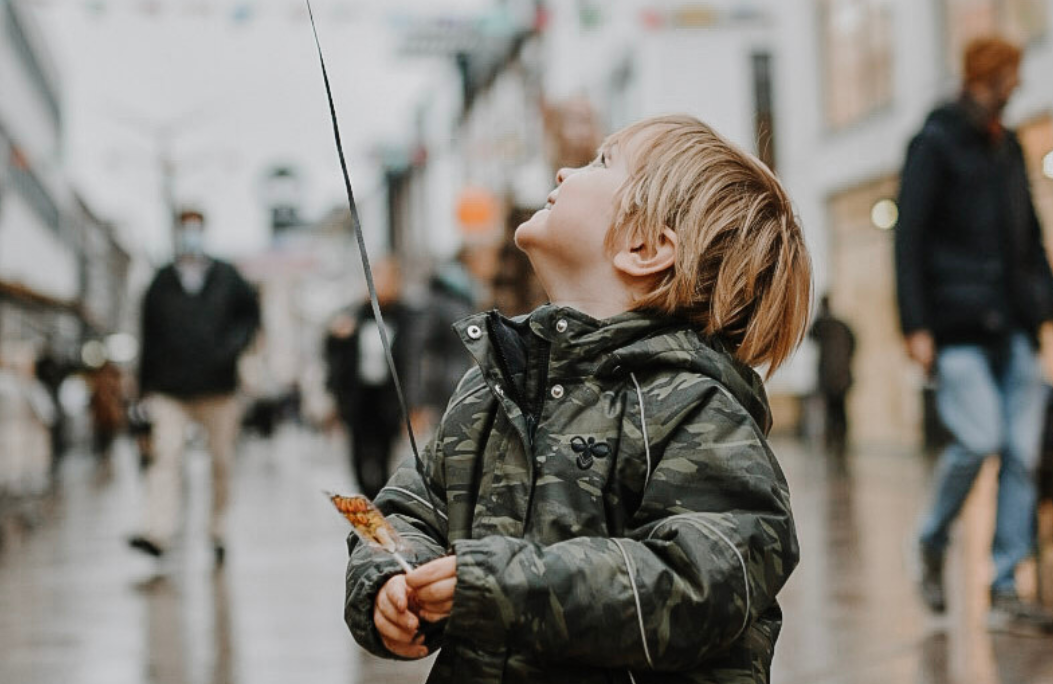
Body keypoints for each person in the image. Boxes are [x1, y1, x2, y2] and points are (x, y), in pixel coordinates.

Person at [343, 115, 808, 682]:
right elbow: (403, 510)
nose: (566, 169)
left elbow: (701, 580)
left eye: (603, 162)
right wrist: (391, 581)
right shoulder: (494, 386)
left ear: (644, 247)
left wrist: (507, 583)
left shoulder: (694, 408)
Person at [896, 37, 1053, 636]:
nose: (1018, 86)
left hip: (1017, 323)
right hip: (958, 327)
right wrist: (914, 325)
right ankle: (931, 538)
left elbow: (1033, 232)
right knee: (981, 439)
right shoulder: (935, 142)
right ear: (987, 76)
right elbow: (909, 239)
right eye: (1012, 75)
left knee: (1022, 454)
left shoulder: (1010, 145)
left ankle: (1003, 586)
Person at [129, 210, 261, 565]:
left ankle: (217, 530)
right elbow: (148, 336)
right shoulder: (161, 282)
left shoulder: (227, 277)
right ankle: (158, 532)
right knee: (166, 458)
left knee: (221, 462)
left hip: (218, 389)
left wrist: (231, 349)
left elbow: (251, 315)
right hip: (170, 389)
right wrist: (142, 389)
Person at [324, 258, 424, 498]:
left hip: (389, 400)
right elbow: (334, 360)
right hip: (359, 399)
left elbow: (413, 361)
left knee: (384, 457)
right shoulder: (352, 316)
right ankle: (370, 501)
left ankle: (380, 505)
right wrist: (336, 337)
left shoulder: (407, 317)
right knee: (357, 458)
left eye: (384, 278)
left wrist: (414, 404)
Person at [417, 245, 498, 419]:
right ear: (470, 262)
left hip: (465, 380)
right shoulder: (444, 297)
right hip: (449, 385)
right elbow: (425, 343)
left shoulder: (469, 293)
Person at [808, 294, 856, 450]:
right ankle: (840, 438)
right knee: (840, 409)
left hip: (830, 375)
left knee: (832, 409)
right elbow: (854, 342)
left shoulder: (823, 325)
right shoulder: (841, 325)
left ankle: (835, 438)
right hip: (842, 374)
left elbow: (811, 335)